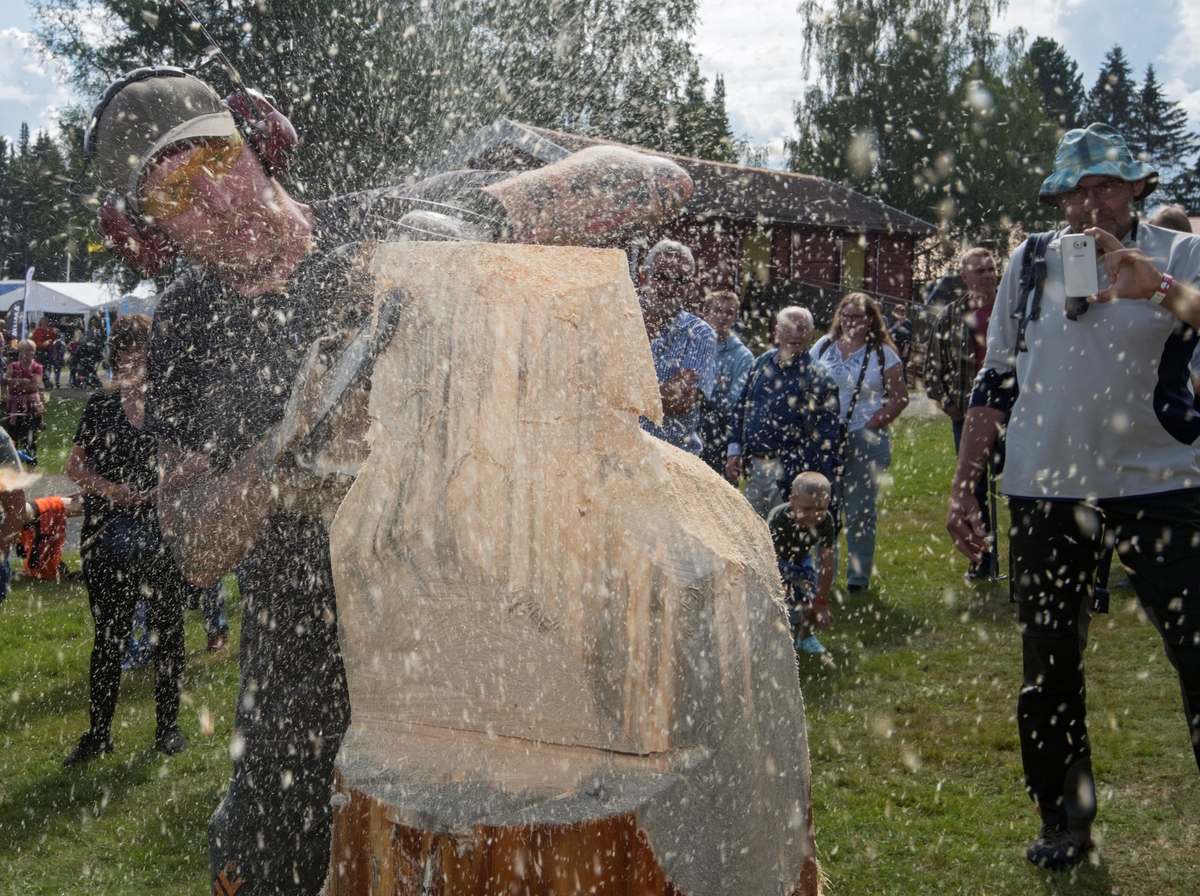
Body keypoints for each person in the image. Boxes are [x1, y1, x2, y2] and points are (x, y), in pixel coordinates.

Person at [83, 67, 693, 895]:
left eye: (214, 161)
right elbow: (192, 548)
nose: (215, 204)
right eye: (172, 197)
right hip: (297, 707)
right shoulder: (189, 325)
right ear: (146, 234)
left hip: (473, 673)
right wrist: (280, 460)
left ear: (261, 141)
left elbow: (652, 180)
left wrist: (462, 227)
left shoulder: (383, 224)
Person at [946, 122, 1200, 871]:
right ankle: (1066, 818)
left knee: (1197, 651)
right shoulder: (1029, 262)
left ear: (1135, 191)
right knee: (1049, 663)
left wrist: (1153, 286)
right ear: (1061, 198)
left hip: (1165, 485)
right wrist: (965, 486)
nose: (1093, 205)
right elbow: (995, 379)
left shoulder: (1181, 251)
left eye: (1108, 188)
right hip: (1043, 489)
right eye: (1078, 191)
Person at [62, 314, 190, 765]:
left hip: (161, 532)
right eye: (126, 352)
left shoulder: (170, 405)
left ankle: (168, 729)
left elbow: (199, 461)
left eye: (142, 351)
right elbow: (74, 467)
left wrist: (165, 485)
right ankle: (98, 734)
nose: (133, 360)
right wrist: (112, 489)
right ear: (116, 356)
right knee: (109, 637)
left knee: (168, 634)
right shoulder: (100, 406)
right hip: (106, 534)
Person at [812, 293, 909, 592]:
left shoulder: (883, 354)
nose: (850, 322)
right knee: (824, 510)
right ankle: (823, 577)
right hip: (826, 439)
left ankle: (857, 580)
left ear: (870, 320)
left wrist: (872, 424)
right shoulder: (824, 346)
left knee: (859, 512)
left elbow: (900, 398)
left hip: (864, 439)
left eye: (857, 317)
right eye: (846, 315)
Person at [925, 247, 1001, 579]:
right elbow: (931, 370)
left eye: (992, 269)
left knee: (1021, 484)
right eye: (980, 270)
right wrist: (953, 407)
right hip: (968, 417)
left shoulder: (1012, 308)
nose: (987, 275)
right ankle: (982, 559)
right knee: (973, 490)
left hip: (1015, 413)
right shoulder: (951, 316)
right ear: (964, 277)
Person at [725, 306, 841, 518]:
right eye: (788, 328)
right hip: (754, 468)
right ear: (776, 330)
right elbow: (741, 409)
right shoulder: (761, 364)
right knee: (753, 535)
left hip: (790, 472)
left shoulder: (820, 378)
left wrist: (801, 471)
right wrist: (734, 450)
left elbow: (827, 437)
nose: (795, 334)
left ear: (811, 332)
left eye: (802, 328)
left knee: (788, 538)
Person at [637, 240, 716, 454]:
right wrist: (661, 391)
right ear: (644, 276)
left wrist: (627, 398)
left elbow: (681, 402)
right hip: (619, 455)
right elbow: (599, 395)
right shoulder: (619, 323)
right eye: (661, 276)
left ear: (690, 286)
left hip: (672, 461)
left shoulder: (700, 334)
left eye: (680, 280)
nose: (670, 286)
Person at [768, 471, 836, 655]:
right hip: (774, 560)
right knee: (774, 602)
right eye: (806, 509)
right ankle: (772, 639)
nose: (813, 515)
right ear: (792, 501)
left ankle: (806, 637)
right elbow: (768, 554)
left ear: (828, 502)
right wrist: (778, 583)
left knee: (811, 600)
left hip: (800, 561)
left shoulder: (826, 521)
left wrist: (821, 600)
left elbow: (827, 562)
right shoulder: (779, 517)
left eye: (820, 509)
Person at [698, 289, 754, 474]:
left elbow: (734, 404)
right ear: (705, 313)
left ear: (735, 318)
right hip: (690, 427)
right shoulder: (694, 345)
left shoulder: (743, 357)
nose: (722, 316)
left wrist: (699, 394)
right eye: (717, 310)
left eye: (729, 313)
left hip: (720, 434)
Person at [3, 340, 45, 465]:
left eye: (32, 350)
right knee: (11, 440)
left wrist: (16, 384)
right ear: (20, 351)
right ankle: (12, 470)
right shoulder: (13, 366)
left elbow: (34, 385)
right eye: (26, 349)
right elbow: (6, 380)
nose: (29, 352)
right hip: (13, 410)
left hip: (30, 409)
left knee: (30, 441)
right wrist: (25, 381)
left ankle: (31, 470)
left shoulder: (37, 367)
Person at [30, 318, 58, 389]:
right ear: (41, 322)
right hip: (38, 350)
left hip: (46, 350)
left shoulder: (50, 331)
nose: (46, 323)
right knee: (38, 367)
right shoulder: (37, 330)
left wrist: (55, 352)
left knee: (44, 367)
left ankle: (45, 383)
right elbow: (32, 341)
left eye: (47, 321)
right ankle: (45, 383)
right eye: (45, 321)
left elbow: (53, 342)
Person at [887, 302, 913, 379]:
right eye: (896, 312)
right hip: (896, 347)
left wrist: (905, 349)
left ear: (903, 313)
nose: (897, 314)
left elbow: (908, 337)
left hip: (903, 348)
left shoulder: (907, 323)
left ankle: (903, 385)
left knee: (902, 368)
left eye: (899, 312)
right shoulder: (897, 323)